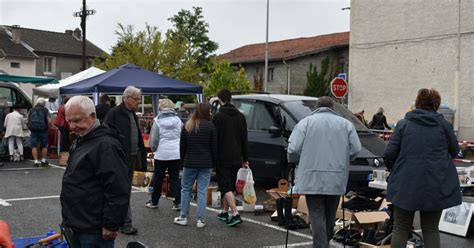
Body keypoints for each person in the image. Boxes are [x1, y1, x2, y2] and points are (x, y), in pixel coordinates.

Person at [384, 88, 461, 248]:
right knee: (431, 229)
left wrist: (397, 169)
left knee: (401, 227)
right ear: (436, 104)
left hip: (406, 182)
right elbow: (455, 151)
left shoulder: (403, 124)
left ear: (417, 103)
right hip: (436, 182)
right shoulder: (444, 125)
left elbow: (389, 154)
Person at [287, 96, 361, 248]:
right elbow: (356, 149)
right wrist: (344, 157)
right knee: (330, 215)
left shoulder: (305, 123)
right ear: (332, 107)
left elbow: (293, 149)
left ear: (316, 107)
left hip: (311, 176)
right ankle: (324, 243)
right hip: (336, 176)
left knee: (316, 215)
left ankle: (321, 245)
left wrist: (294, 160)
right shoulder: (345, 124)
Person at [61, 96, 130, 247]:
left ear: (92, 116)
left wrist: (110, 224)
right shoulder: (83, 139)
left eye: (77, 120)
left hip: (93, 230)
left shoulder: (105, 145)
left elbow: (117, 187)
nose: (72, 126)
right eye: (69, 121)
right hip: (79, 224)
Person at [103, 86, 146, 235]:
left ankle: (122, 221)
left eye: (138, 99)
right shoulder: (114, 113)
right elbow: (106, 133)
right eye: (136, 99)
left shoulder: (132, 113)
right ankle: (124, 223)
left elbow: (137, 136)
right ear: (126, 98)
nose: (138, 102)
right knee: (121, 190)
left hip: (131, 157)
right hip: (120, 157)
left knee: (124, 190)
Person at [174, 103, 217, 228]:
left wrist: (182, 163)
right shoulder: (210, 126)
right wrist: (214, 163)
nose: (210, 113)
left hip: (190, 162)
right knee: (202, 190)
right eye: (209, 111)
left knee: (186, 189)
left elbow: (182, 147)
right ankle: (200, 219)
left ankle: (183, 217)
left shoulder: (188, 125)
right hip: (206, 163)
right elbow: (214, 148)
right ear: (205, 112)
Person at [212, 89, 248, 227]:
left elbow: (215, 140)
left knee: (225, 185)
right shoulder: (240, 116)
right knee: (231, 185)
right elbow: (244, 139)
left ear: (220, 99)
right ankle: (224, 211)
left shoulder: (218, 117)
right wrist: (245, 157)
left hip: (223, 156)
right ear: (231, 99)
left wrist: (213, 158)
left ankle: (235, 213)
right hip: (237, 156)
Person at [145, 99, 182, 210]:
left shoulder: (157, 121)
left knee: (158, 178)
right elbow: (183, 136)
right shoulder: (178, 120)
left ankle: (154, 201)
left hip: (161, 154)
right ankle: (177, 202)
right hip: (176, 153)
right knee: (175, 178)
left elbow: (154, 140)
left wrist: (154, 149)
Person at [28, 98, 51, 167]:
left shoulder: (31, 110)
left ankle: (36, 162)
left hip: (33, 131)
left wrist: (30, 127)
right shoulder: (46, 110)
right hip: (43, 130)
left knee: (34, 146)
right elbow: (49, 121)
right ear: (43, 104)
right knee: (44, 146)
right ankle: (43, 161)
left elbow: (26, 120)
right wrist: (48, 128)